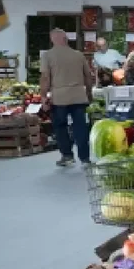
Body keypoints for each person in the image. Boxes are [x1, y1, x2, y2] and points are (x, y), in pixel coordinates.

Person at [40, 28, 94, 167]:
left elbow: (45, 77)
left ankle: (67, 156)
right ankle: (85, 158)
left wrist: (43, 96)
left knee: (60, 127)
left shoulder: (48, 55)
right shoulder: (78, 55)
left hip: (60, 98)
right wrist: (89, 93)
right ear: (66, 39)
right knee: (80, 127)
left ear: (52, 39)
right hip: (79, 96)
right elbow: (88, 76)